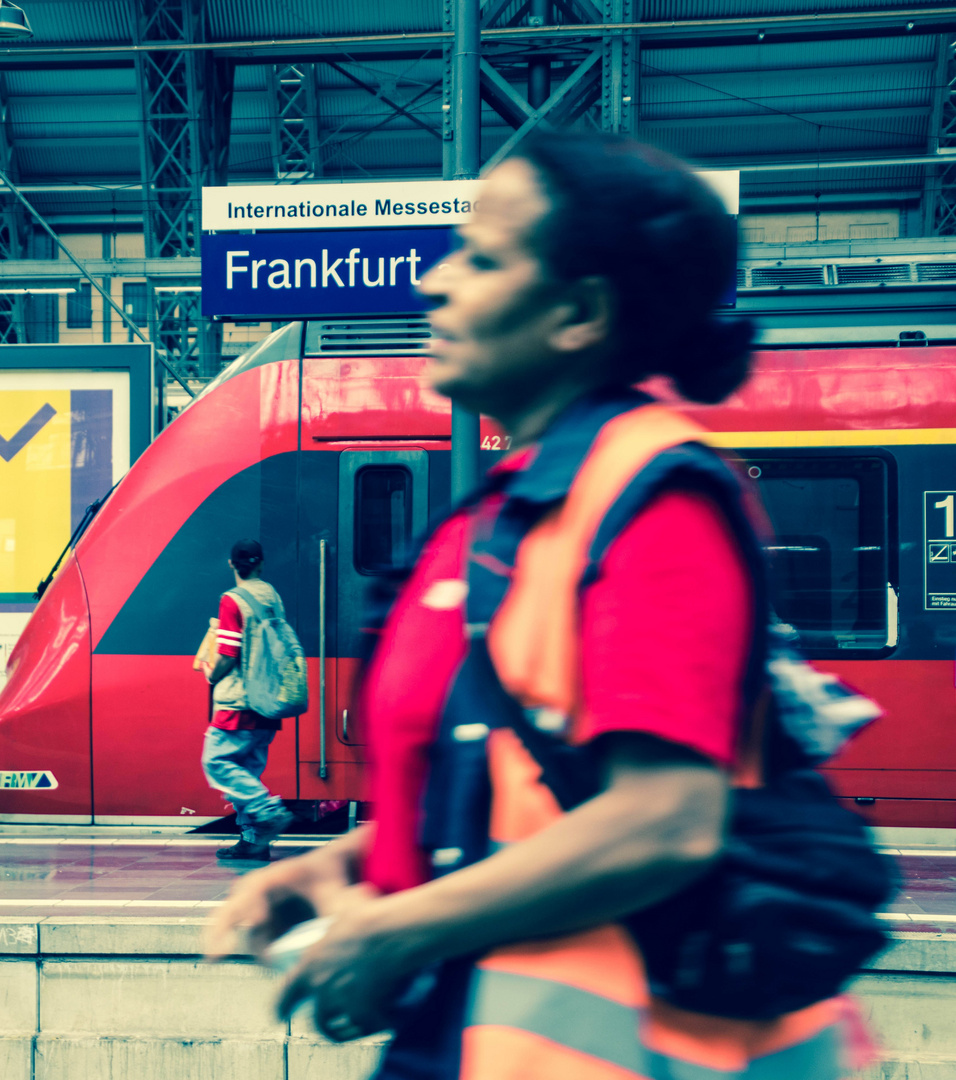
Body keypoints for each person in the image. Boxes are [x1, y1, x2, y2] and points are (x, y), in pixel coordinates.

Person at [206, 132, 868, 1079]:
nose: (438, 285)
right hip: (465, 1032)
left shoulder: (653, 501)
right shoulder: (507, 507)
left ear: (578, 312)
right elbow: (509, 789)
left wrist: (396, 929)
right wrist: (342, 867)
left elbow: (665, 819)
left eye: (482, 258)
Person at [202, 539, 295, 862]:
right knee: (247, 771)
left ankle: (266, 810)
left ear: (232, 564)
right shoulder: (272, 596)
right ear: (261, 564)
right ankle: (255, 841)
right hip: (267, 700)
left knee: (216, 761)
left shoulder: (233, 600)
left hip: (238, 702)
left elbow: (228, 652)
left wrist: (212, 674)